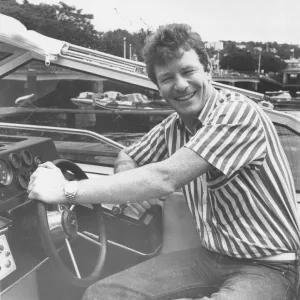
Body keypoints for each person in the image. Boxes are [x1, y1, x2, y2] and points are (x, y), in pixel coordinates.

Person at [28, 23, 300, 300]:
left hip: (271, 265)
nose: (180, 85)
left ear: (208, 70)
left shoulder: (238, 113)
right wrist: (130, 188)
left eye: (188, 71)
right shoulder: (175, 126)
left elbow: (164, 178)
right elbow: (129, 155)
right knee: (101, 294)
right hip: (211, 258)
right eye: (167, 78)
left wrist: (66, 191)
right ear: (158, 86)